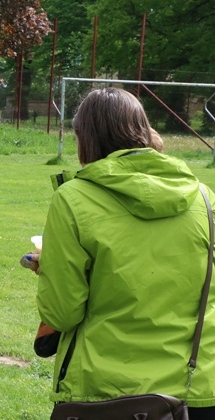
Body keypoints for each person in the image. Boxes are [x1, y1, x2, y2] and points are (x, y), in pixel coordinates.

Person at [27, 88, 215, 419]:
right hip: (195, 387)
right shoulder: (204, 198)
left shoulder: (73, 199)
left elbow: (62, 313)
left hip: (105, 392)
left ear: (85, 137)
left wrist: (53, 270)